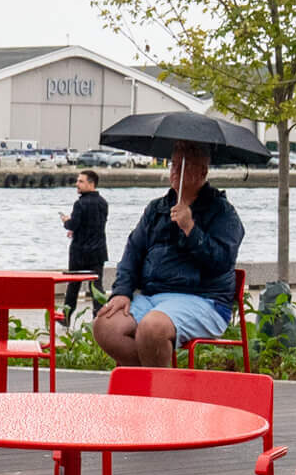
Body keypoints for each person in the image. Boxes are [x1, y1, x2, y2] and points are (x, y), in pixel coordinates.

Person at [93, 140, 245, 369]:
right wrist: (122, 292)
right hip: (154, 295)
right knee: (105, 325)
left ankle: (159, 396)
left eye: (184, 165)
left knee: (152, 328)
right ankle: (160, 386)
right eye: (173, 164)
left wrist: (190, 229)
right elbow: (133, 252)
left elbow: (221, 262)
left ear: (202, 171)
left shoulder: (224, 213)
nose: (175, 171)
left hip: (204, 298)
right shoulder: (157, 209)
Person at [61, 168, 109, 322]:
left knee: (73, 286)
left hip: (80, 251)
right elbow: (95, 225)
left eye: (81, 181)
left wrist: (66, 221)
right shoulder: (103, 203)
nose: (77, 184)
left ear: (91, 184)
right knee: (96, 286)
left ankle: (67, 317)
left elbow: (73, 224)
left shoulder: (80, 204)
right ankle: (99, 317)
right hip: (98, 250)